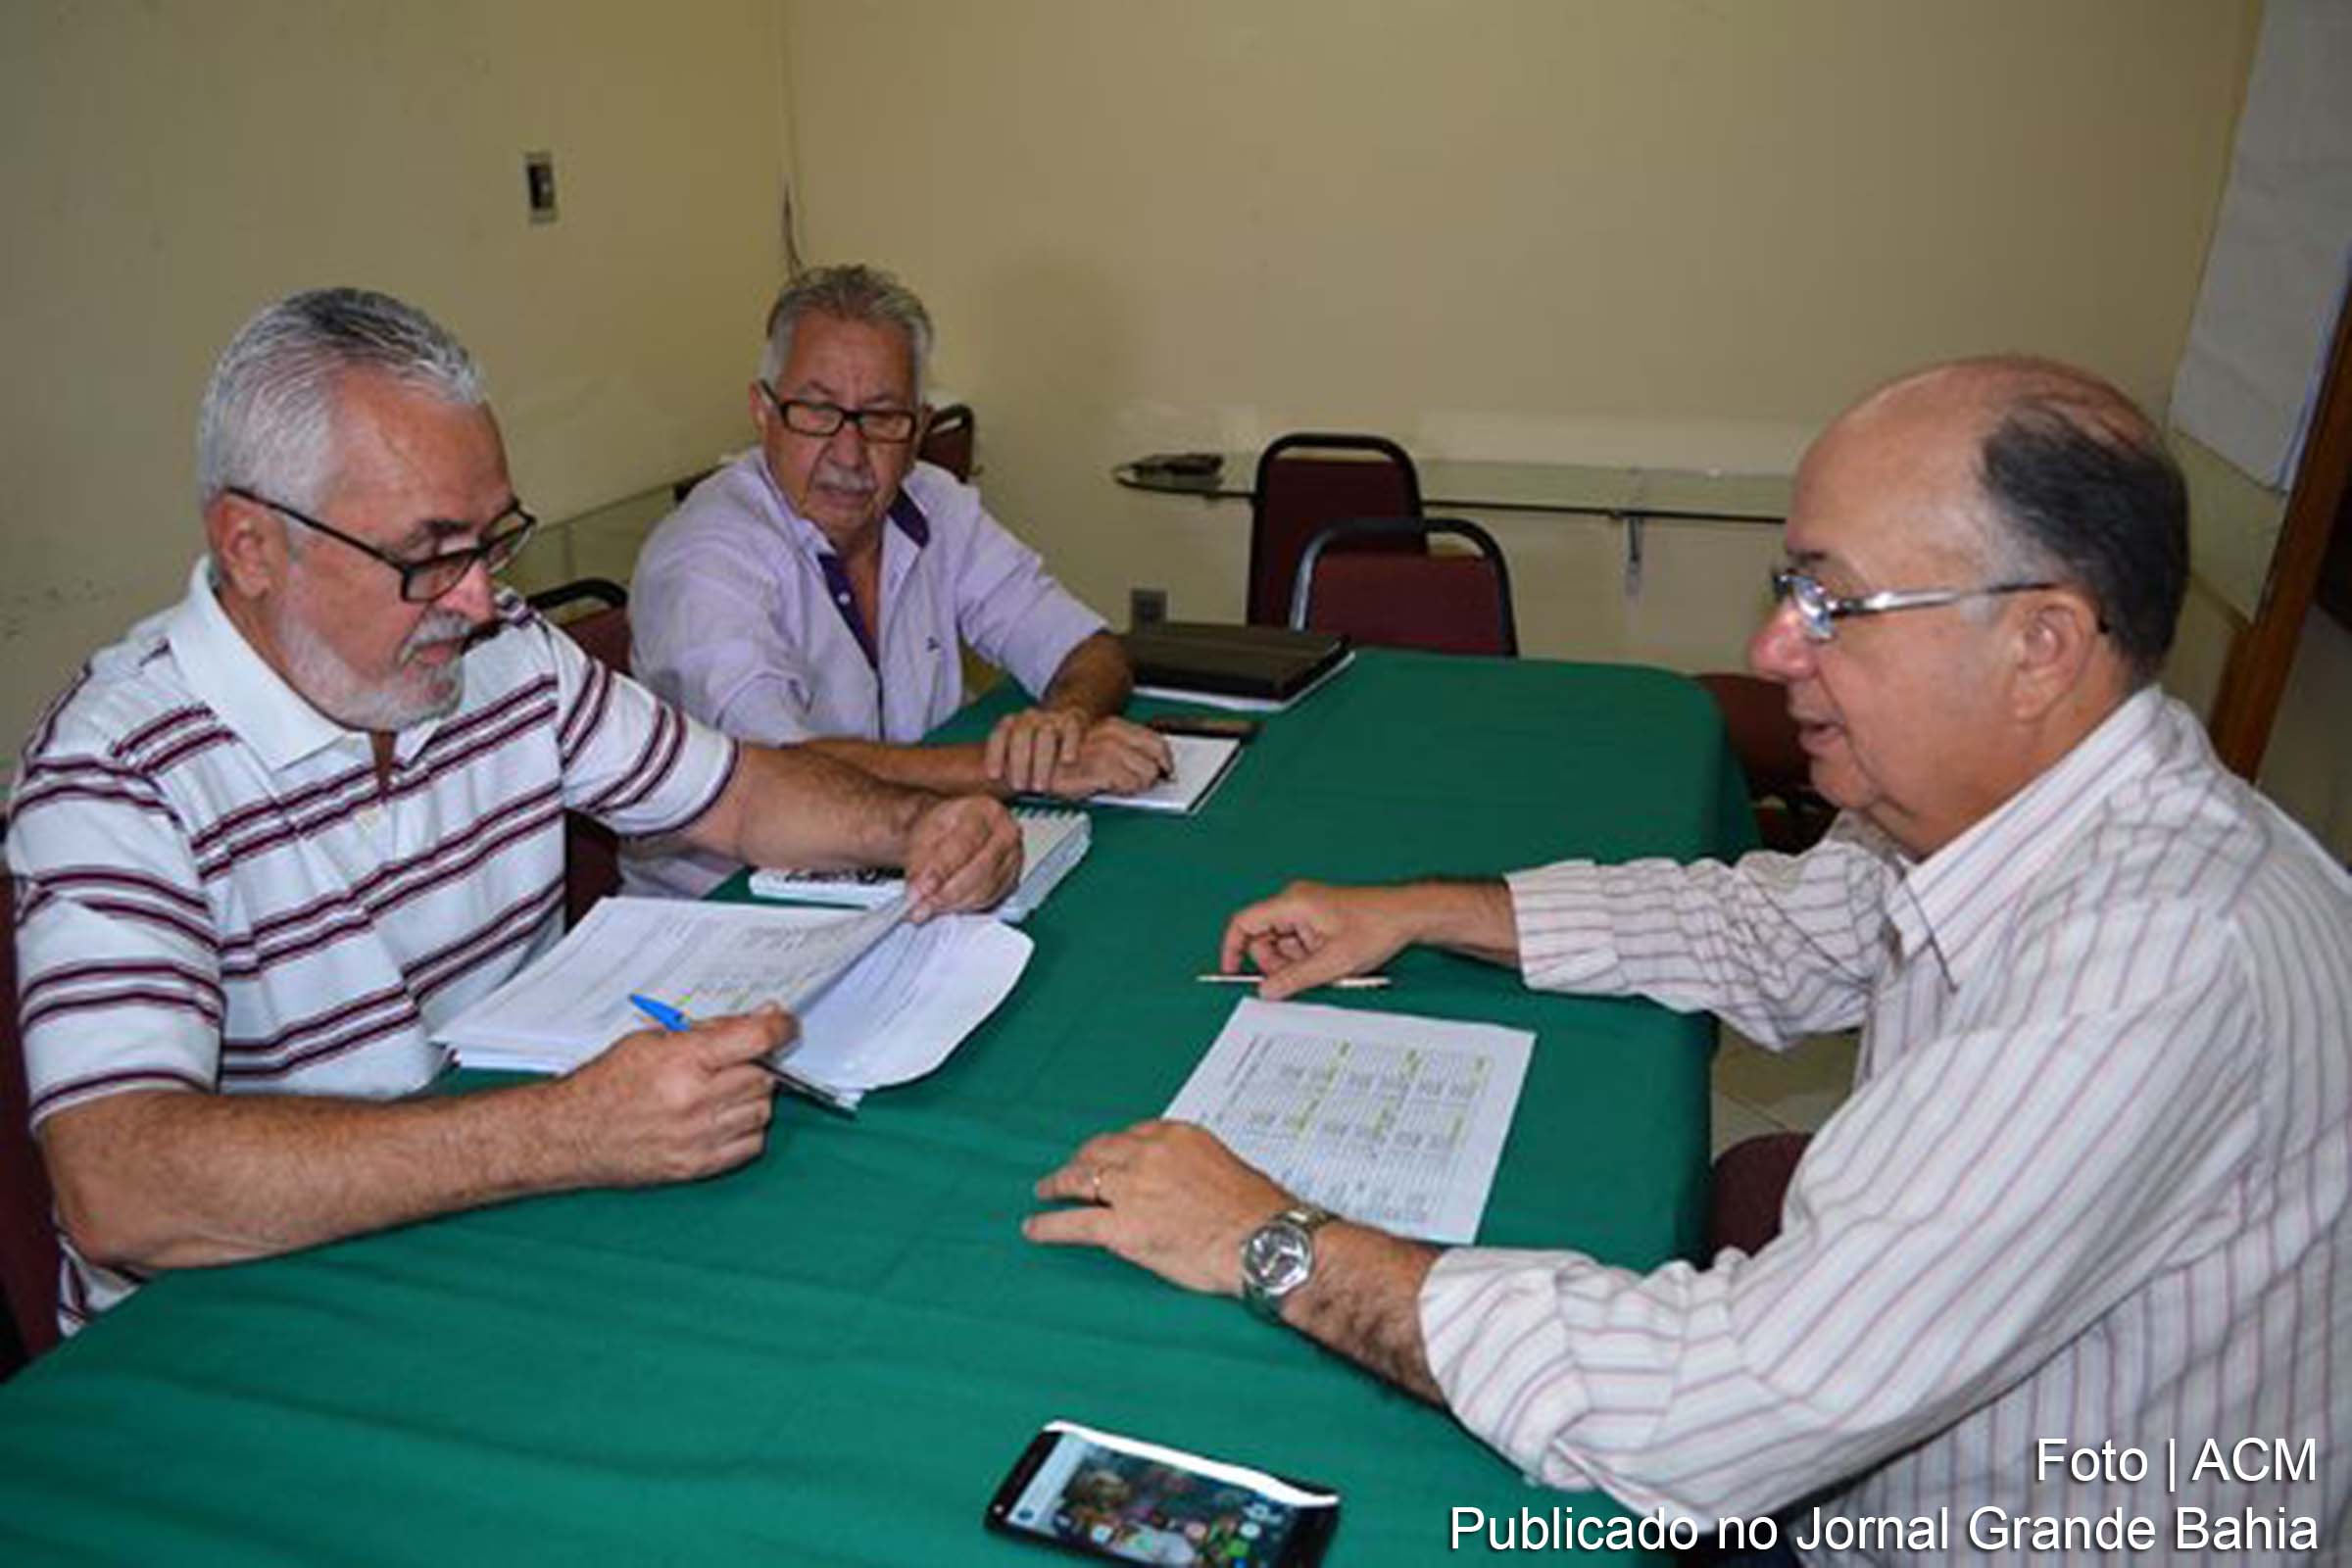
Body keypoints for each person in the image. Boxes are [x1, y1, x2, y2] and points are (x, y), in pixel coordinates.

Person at [1026, 357, 2352, 1556]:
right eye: (1790, 593)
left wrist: (1269, 1239)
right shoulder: (2002, 816)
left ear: (2041, 645)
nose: (1773, 649)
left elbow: (1721, 1411)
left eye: (1833, 601)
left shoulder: (2155, 966)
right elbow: (1770, 929)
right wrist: (1421, 911)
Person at [7, 287, 1022, 1333]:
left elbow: (738, 792)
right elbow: (119, 1185)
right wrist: (561, 1132)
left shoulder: (504, 654)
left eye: (493, 542)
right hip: (253, 1325)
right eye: (428, 555)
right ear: (253, 546)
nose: (477, 598)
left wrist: (909, 826)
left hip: (500, 1238)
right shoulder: (118, 771)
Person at [628, 263, 1169, 896]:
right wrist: (1018, 771)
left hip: (908, 865)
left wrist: (1062, 725)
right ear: (763, 411)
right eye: (817, 411)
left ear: (919, 429)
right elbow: (776, 770)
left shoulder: (935, 504)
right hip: (731, 907)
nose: (849, 453)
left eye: (882, 417)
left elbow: (1088, 648)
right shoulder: (702, 558)